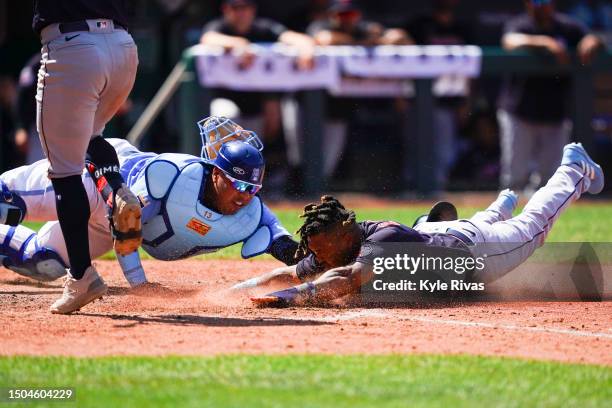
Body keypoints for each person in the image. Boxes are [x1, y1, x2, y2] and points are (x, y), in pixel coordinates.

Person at [234, 143, 604, 306]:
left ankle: (573, 168)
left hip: (475, 253)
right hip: (436, 234)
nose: (315, 255)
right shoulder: (333, 244)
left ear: (342, 233)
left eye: (320, 248)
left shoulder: (381, 239)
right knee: (441, 229)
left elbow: (345, 281)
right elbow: (291, 274)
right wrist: (244, 288)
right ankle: (500, 204)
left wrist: (297, 297)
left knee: (534, 227)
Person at [0, 117, 302, 310]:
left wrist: (320, 255)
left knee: (43, 264)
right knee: (8, 204)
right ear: (215, 174)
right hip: (98, 181)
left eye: (252, 188)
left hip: (106, 227)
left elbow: (287, 249)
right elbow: (126, 218)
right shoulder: (172, 176)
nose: (244, 195)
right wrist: (139, 284)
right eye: (237, 184)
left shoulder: (252, 215)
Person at [31, 1, 144, 313]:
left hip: (73, 46)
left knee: (64, 171)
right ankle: (116, 188)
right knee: (92, 134)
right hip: (122, 47)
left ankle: (81, 276)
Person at [498, 0, 603, 191]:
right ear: (528, 4)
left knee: (550, 179)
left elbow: (591, 38)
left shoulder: (567, 26)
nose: (541, 6)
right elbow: (509, 41)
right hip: (520, 111)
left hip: (555, 112)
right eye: (536, 2)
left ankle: (540, 219)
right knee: (514, 178)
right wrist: (545, 42)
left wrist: (591, 41)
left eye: (545, 1)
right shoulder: (521, 24)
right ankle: (507, 219)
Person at [306, 0, 411, 179]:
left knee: (329, 156)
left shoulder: (364, 28)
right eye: (342, 15)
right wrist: (364, 43)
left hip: (341, 105)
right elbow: (326, 39)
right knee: (302, 153)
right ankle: (297, 189)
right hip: (312, 102)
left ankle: (317, 189)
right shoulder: (322, 25)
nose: (347, 19)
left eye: (351, 15)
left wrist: (376, 39)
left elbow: (400, 37)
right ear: (333, 15)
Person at [200, 0, 315, 143]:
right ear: (226, 9)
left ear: (253, 9)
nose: (241, 12)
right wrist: (239, 44)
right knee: (225, 114)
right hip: (225, 99)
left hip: (256, 105)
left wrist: (306, 48)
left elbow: (293, 37)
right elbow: (207, 38)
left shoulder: (263, 28)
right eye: (235, 7)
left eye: (246, 7)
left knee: (252, 151)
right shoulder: (220, 27)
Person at [406, 0, 474, 190]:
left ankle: (437, 188)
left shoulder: (462, 28)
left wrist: (467, 101)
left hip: (448, 101)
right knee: (416, 148)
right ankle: (412, 189)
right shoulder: (418, 25)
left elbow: (471, 70)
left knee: (444, 152)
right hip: (418, 100)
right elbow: (401, 61)